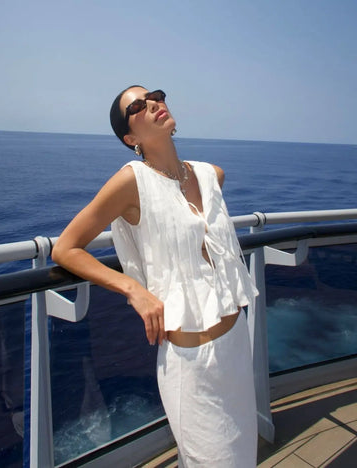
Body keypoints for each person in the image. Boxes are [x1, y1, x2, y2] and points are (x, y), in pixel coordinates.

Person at [52, 85, 259, 467]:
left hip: (235, 343)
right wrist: (133, 289)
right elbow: (65, 249)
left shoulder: (211, 175)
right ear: (130, 138)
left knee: (245, 456)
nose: (153, 103)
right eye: (137, 106)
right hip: (191, 364)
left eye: (156, 95)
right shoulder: (131, 181)